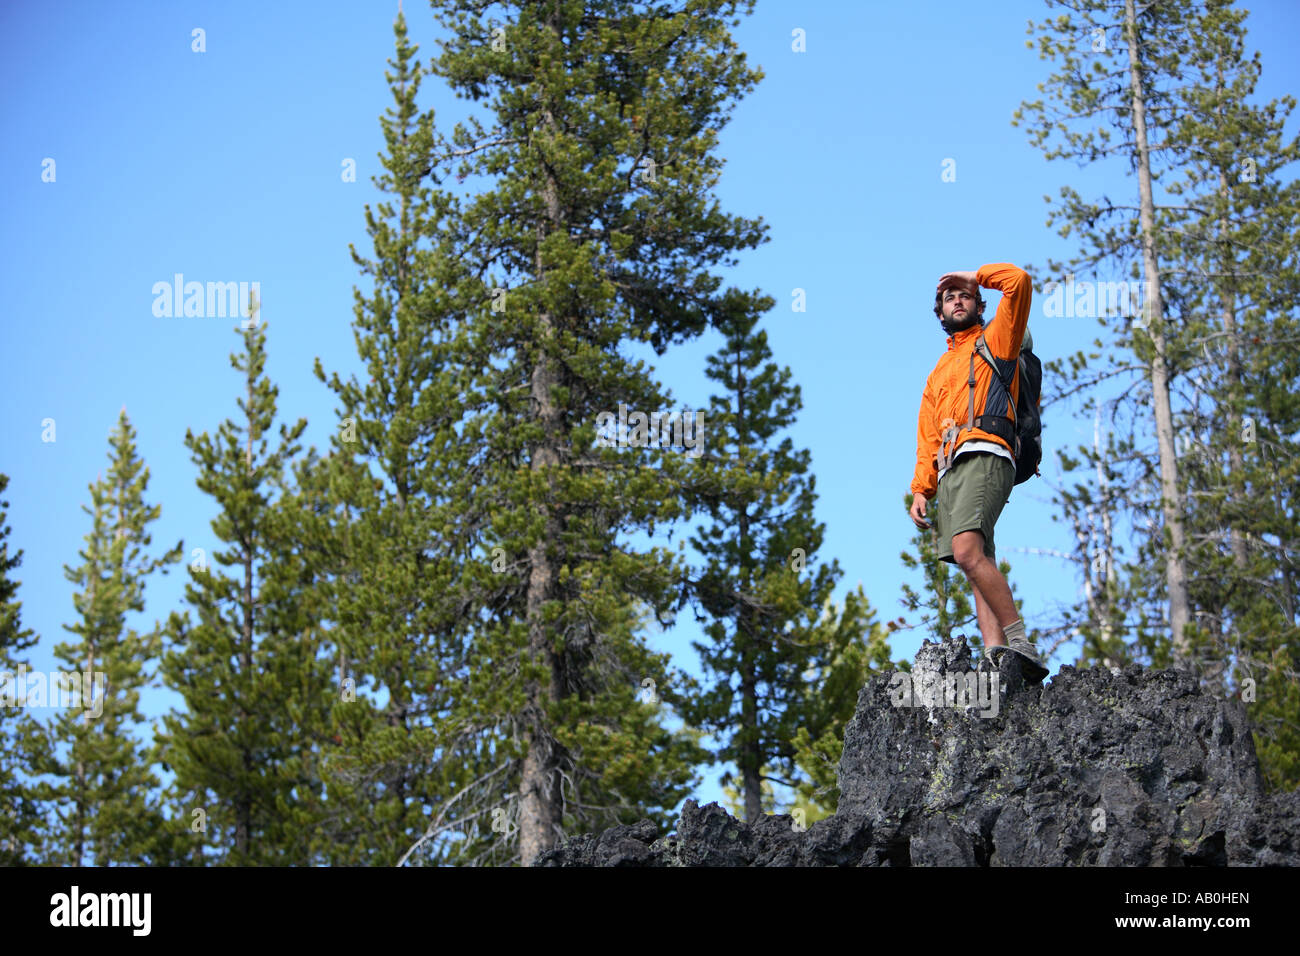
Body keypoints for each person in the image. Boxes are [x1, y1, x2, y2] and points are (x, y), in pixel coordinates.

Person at [908, 263, 1049, 681]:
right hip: (951, 469)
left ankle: (1019, 641)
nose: (957, 301)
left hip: (988, 451)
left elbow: (1019, 282)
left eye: (964, 295)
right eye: (949, 297)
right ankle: (997, 657)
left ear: (978, 303)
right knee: (976, 560)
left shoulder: (998, 338)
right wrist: (922, 488)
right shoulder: (937, 372)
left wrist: (975, 275)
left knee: (967, 550)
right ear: (940, 314)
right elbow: (928, 434)